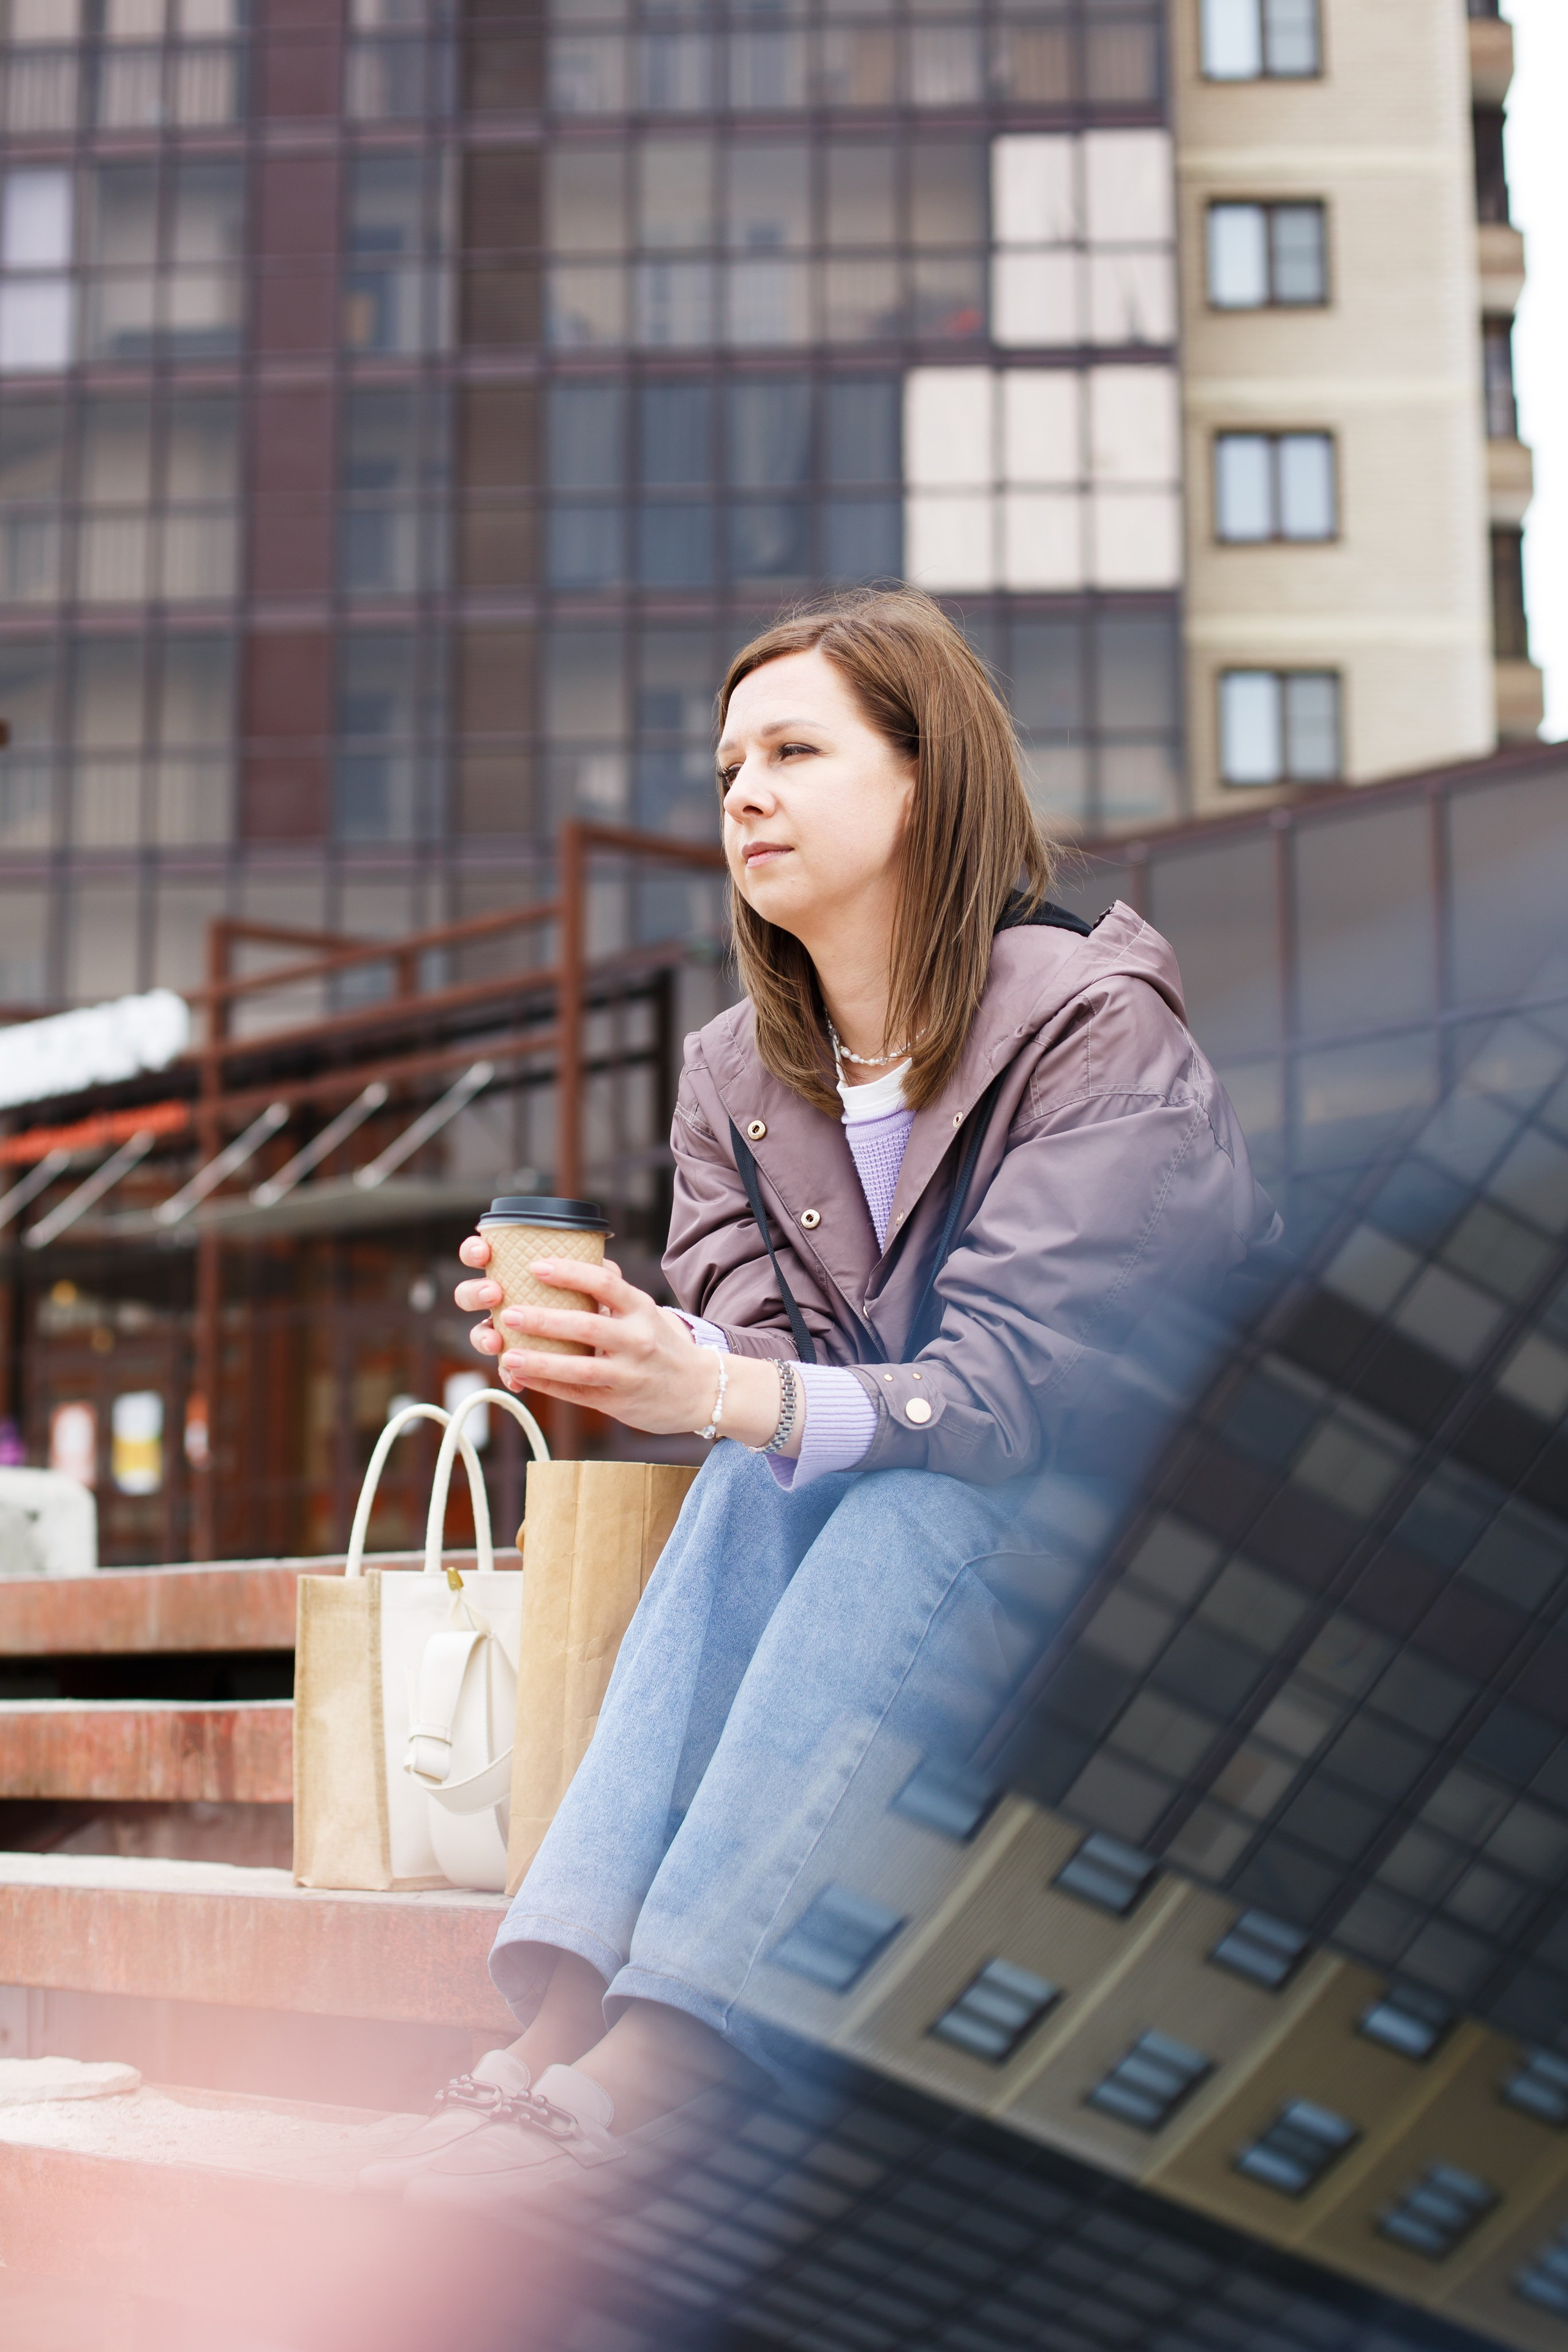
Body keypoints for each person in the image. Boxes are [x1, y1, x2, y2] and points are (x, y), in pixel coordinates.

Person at [363, 588, 1277, 2217]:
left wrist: (721, 1383)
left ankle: (676, 2056)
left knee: (890, 1481)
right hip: (896, 1565)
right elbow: (758, 1378)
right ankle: (566, 2018)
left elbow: (1010, 1396)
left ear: (923, 783)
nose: (745, 798)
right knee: (755, 1480)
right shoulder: (738, 1082)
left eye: (794, 751)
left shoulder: (1093, 1031)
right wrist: (639, 1351)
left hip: (1145, 1563)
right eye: (727, 770)